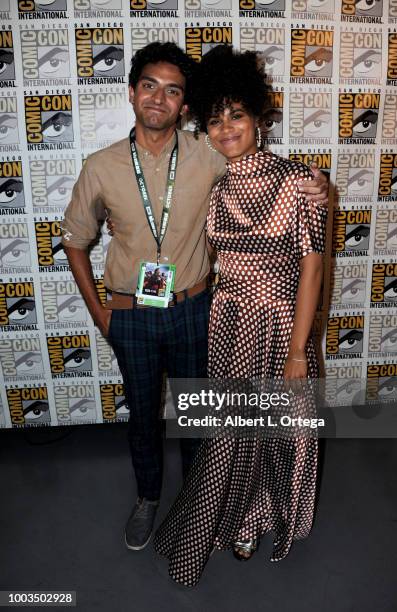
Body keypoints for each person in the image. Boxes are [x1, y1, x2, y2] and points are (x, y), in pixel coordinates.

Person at [61, 42, 329, 555]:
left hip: (196, 310)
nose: (159, 98)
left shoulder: (209, 153)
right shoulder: (101, 165)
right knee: (143, 415)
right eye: (149, 86)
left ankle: (202, 501)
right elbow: (74, 240)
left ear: (184, 105)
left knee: (201, 418)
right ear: (133, 92)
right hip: (134, 315)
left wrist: (323, 187)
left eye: (173, 90)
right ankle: (147, 499)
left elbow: (275, 173)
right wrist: (100, 315)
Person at [153, 45, 327, 586]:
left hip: (280, 327)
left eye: (237, 114)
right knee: (231, 433)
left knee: (279, 433)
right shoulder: (215, 185)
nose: (227, 127)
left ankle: (267, 514)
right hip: (228, 325)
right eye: (215, 118)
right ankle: (238, 518)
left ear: (258, 117)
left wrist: (300, 350)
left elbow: (314, 270)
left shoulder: (300, 182)